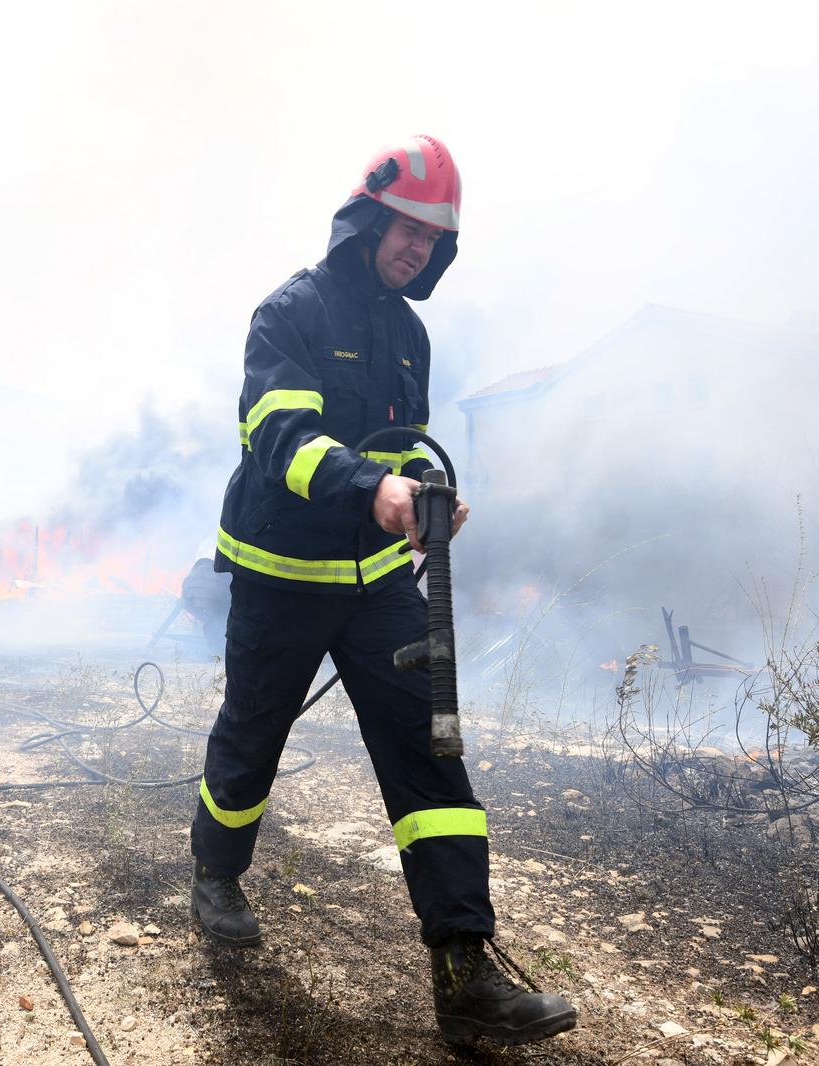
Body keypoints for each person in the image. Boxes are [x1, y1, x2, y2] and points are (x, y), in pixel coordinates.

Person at [189, 135, 577, 1047]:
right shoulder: (290, 312)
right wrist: (377, 490)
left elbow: (402, 448)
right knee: (253, 731)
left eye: (435, 237)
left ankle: (464, 969)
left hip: (377, 585)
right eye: (408, 226)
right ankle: (216, 871)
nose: (418, 247)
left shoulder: (410, 335)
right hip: (282, 577)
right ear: (368, 217)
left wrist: (426, 495)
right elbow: (281, 440)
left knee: (430, 756)